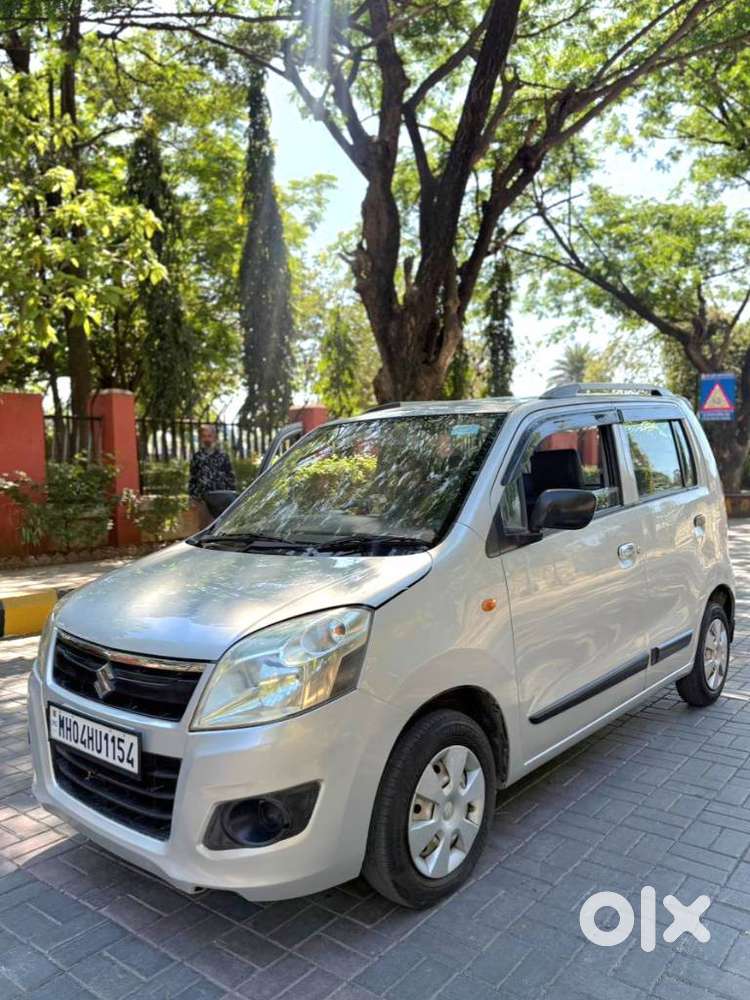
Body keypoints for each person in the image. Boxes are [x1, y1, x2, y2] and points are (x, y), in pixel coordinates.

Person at [188, 424, 236, 528]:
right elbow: (193, 477)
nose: (207, 439)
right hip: (203, 500)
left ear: (215, 437)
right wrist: (192, 498)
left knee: (222, 528)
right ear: (201, 438)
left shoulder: (223, 456)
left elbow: (230, 477)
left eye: (209, 436)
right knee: (204, 530)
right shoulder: (197, 457)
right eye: (204, 436)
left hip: (222, 500)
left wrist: (232, 496)